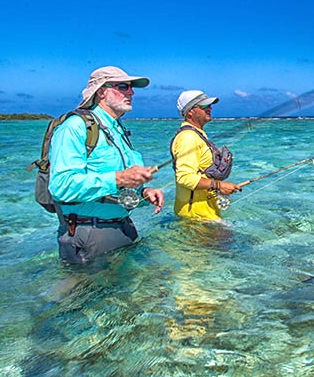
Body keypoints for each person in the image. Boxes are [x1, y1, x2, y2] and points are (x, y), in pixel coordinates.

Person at [48, 66, 165, 263]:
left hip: (123, 227)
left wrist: (144, 193)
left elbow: (117, 184)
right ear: (102, 91)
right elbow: (61, 186)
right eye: (123, 87)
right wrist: (118, 178)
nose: (131, 92)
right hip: (90, 233)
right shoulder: (74, 127)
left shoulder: (118, 129)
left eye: (130, 87)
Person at [171, 90, 241, 220]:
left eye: (209, 105)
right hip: (196, 217)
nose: (210, 108)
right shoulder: (188, 138)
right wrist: (220, 185)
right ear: (190, 111)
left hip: (204, 214)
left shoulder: (197, 134)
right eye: (204, 106)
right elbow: (185, 177)